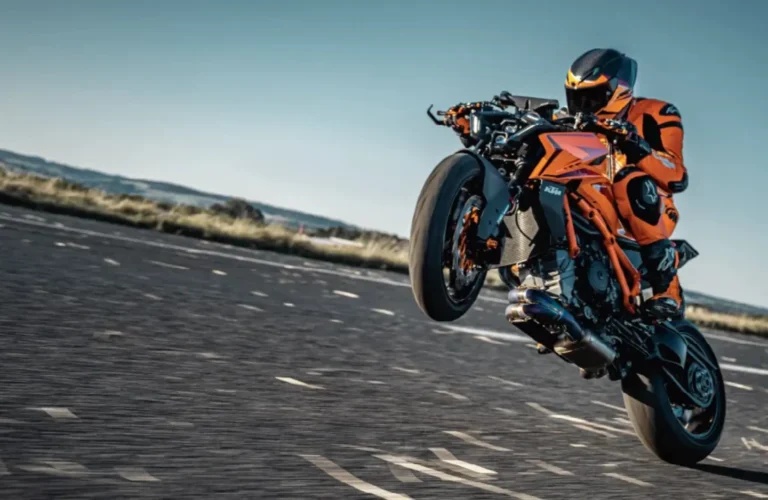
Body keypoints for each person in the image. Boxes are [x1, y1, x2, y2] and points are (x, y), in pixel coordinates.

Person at [564, 48, 688, 320]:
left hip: (652, 205)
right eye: (577, 98)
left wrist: (635, 144)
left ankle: (667, 290)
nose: (584, 106)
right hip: (597, 198)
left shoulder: (658, 112)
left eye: (593, 97)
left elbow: (677, 176)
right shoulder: (572, 123)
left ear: (618, 91)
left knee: (630, 180)